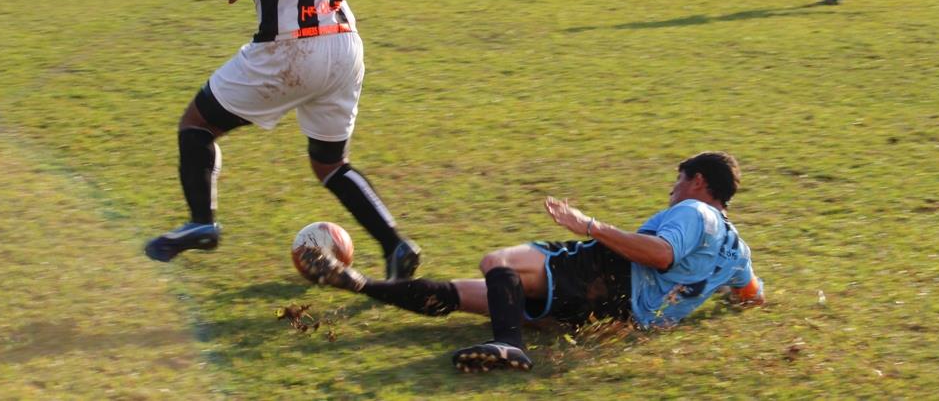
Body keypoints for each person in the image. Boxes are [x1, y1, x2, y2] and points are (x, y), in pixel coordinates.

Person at [143, 0, 422, 282]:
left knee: (196, 125)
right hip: (345, 43)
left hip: (292, 46)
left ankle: (202, 222)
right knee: (330, 163)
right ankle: (396, 246)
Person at [301, 151, 764, 372]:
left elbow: (662, 256)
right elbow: (751, 294)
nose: (672, 189)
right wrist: (734, 301)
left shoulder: (695, 211)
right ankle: (358, 283)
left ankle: (509, 343)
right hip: (624, 314)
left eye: (677, 180)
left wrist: (591, 227)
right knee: (473, 294)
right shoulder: (738, 250)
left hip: (610, 275)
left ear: (699, 182)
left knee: (497, 260)